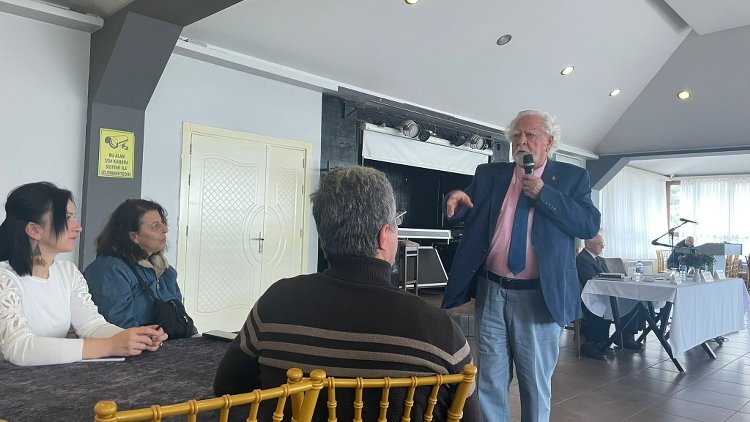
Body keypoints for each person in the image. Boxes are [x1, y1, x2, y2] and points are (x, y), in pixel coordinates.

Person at [213, 166, 478, 421]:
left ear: (323, 233)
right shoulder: (441, 332)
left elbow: (228, 388)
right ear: (384, 235)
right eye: (395, 225)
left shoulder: (274, 303)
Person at [442, 110, 600, 422]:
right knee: (489, 382)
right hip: (492, 290)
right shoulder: (490, 174)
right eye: (516, 135)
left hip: (539, 296)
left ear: (549, 141)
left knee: (534, 385)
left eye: (530, 134)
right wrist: (455, 198)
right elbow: (466, 206)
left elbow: (588, 224)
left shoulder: (571, 178)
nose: (521, 141)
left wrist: (544, 194)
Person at [0, 182, 166, 366]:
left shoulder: (68, 272)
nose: (78, 227)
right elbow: (18, 347)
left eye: (74, 217)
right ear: (34, 229)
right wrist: (109, 346)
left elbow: (91, 325)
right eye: (67, 217)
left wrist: (135, 337)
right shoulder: (4, 278)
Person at [84, 199, 195, 335]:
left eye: (163, 223)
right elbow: (121, 328)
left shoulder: (166, 271)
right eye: (155, 226)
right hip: (138, 345)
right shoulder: (109, 270)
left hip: (168, 344)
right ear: (134, 236)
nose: (165, 229)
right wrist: (157, 339)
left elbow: (181, 318)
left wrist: (195, 338)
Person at [576, 234, 642, 360]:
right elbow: (589, 280)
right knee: (603, 307)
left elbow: (606, 276)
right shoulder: (582, 259)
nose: (602, 247)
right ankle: (594, 345)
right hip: (590, 297)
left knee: (631, 300)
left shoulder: (600, 259)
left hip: (604, 293)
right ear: (589, 244)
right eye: (600, 244)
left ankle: (625, 336)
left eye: (603, 244)